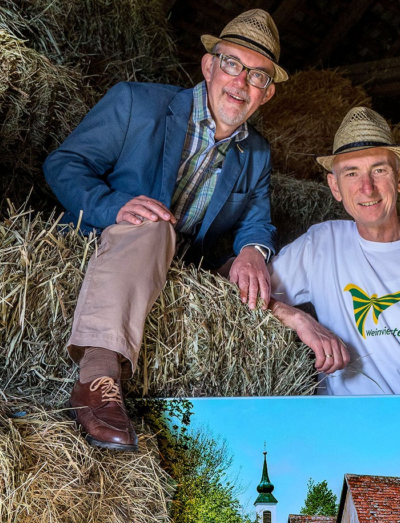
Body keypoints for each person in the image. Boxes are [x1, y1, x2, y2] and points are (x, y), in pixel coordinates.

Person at [43, 9, 287, 452]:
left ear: (266, 95)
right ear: (208, 65)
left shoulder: (256, 153)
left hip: (176, 263)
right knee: (154, 225)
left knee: (272, 284)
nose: (241, 82)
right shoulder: (137, 103)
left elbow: (257, 217)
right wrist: (115, 206)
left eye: (257, 77)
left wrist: (253, 249)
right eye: (232, 63)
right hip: (107, 240)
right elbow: (64, 165)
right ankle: (97, 380)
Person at [266, 107, 400, 395]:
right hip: (346, 428)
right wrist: (298, 319)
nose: (367, 188)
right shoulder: (319, 245)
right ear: (335, 187)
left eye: (379, 170)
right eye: (351, 173)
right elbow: (241, 295)